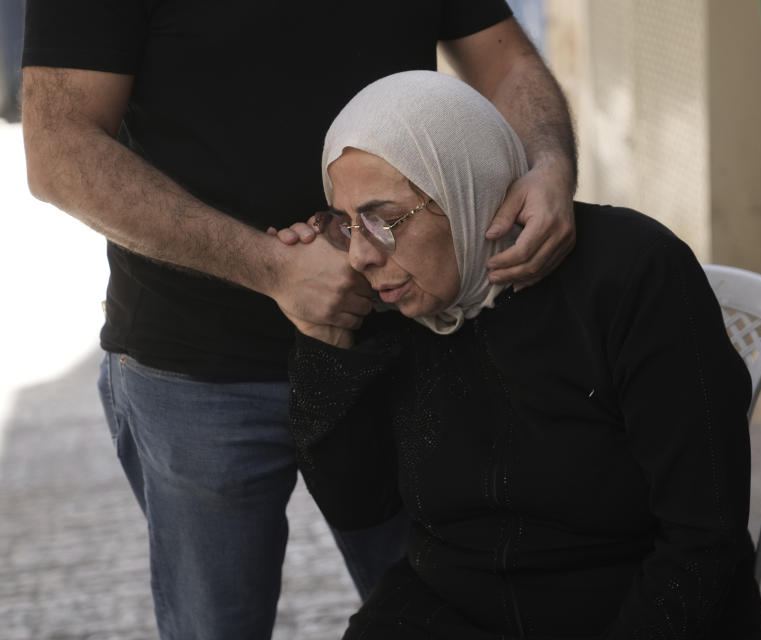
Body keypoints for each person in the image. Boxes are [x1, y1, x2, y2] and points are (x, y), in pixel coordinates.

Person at [20, 2, 577, 638]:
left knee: (452, 616)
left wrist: (549, 165)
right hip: (198, 366)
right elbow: (60, 145)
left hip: (409, 344)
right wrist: (271, 268)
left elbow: (505, 61)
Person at [283, 70, 761, 639]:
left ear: (466, 187)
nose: (361, 254)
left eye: (381, 219)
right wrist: (324, 341)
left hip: (631, 608)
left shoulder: (633, 273)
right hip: (454, 609)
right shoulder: (394, 305)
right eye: (344, 224)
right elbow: (357, 507)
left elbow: (702, 537)